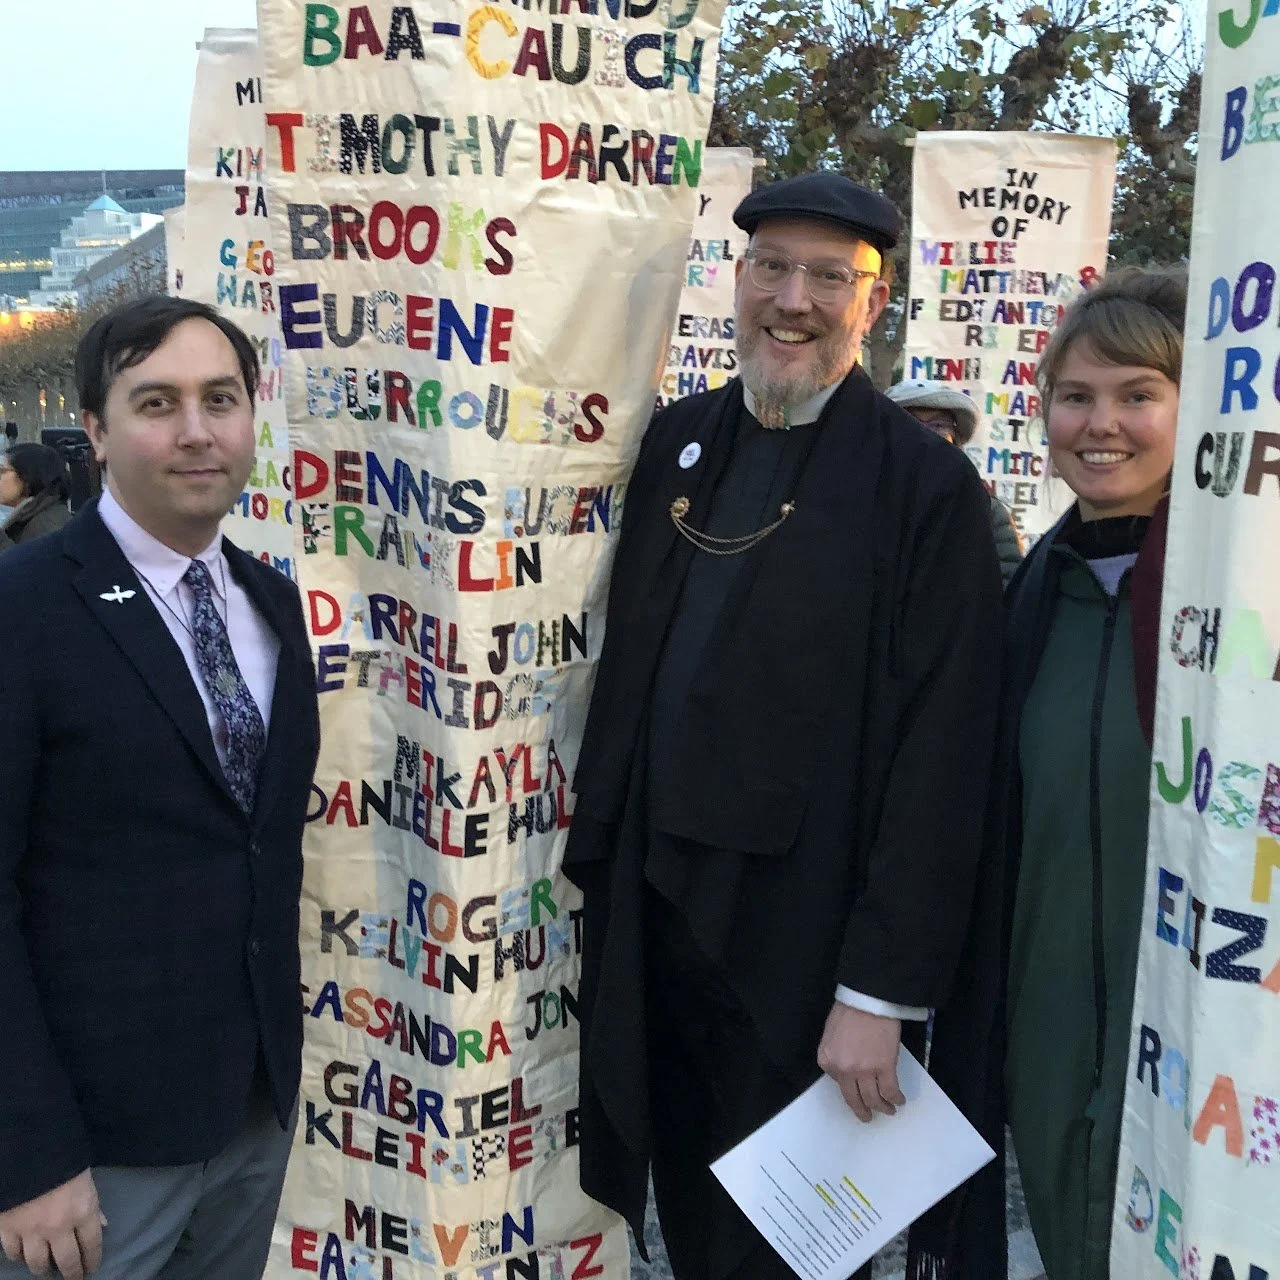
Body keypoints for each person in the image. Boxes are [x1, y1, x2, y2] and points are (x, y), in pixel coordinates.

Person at [564, 171, 1004, 1280]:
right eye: (770, 268)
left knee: (788, 1254)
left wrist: (879, 993)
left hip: (802, 958)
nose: (792, 300)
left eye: (826, 276)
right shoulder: (672, 444)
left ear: (874, 298)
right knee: (686, 1228)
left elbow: (944, 753)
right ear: (736, 278)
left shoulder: (924, 488)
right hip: (654, 926)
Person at [0, 296, 321, 1280]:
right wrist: (27, 1153)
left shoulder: (271, 603)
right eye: (156, 401)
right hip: (92, 1151)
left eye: (220, 398)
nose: (195, 429)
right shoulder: (22, 609)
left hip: (252, 1114)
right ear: (94, 429)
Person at [926, 267, 1186, 1280]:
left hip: (1192, 1023)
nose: (1099, 422)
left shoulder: (1246, 599)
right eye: (1073, 396)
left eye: (1135, 394)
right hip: (1041, 1020)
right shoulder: (1033, 592)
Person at [886, 378, 1024, 583]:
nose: (924, 435)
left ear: (955, 441)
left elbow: (1008, 588)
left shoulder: (987, 513)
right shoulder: (858, 504)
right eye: (908, 422)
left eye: (938, 425)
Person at [0, 443, 72, 554]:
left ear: (26, 476)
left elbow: (23, 568)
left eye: (2, 471)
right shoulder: (34, 515)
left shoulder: (47, 526)